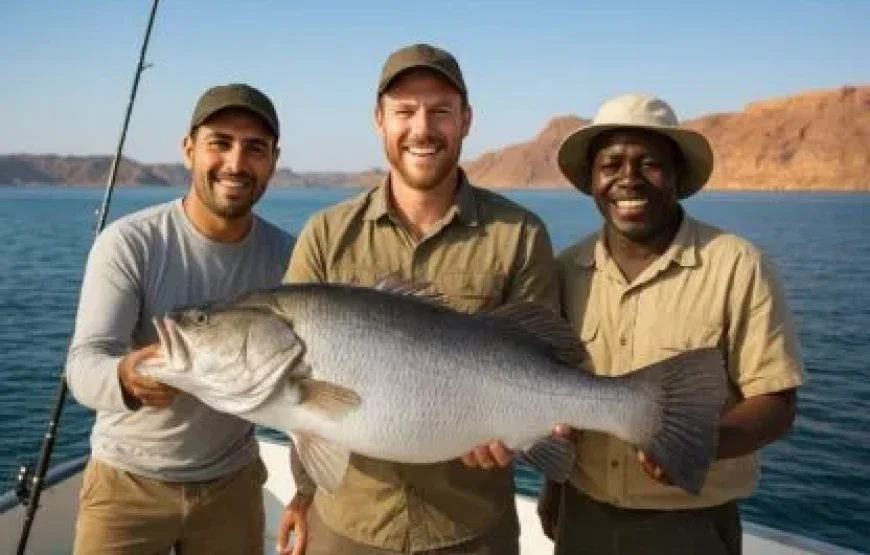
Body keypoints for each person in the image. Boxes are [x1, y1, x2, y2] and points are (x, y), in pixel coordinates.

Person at [276, 43, 560, 555]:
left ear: (466, 120)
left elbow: (546, 360)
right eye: (405, 111)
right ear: (379, 120)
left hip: (473, 529)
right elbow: (302, 401)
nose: (422, 128)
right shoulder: (325, 235)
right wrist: (302, 494)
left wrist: (517, 437)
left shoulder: (520, 234)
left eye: (440, 111)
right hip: (349, 526)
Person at [538, 93, 804, 554]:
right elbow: (557, 397)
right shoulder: (565, 271)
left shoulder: (737, 266)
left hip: (690, 526)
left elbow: (776, 403)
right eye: (611, 165)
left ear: (678, 176)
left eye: (649, 164)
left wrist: (696, 444)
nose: (628, 178)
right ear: (592, 180)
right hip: (583, 519)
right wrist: (553, 488)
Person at [65, 83, 295, 555]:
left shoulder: (289, 257)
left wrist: (308, 490)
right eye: (219, 143)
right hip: (126, 485)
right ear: (189, 150)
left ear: (273, 161)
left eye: (255, 148)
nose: (236, 163)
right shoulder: (129, 243)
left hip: (233, 484)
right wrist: (125, 376)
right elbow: (83, 365)